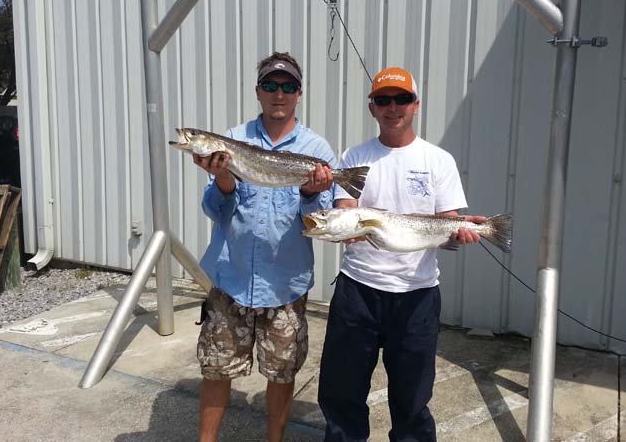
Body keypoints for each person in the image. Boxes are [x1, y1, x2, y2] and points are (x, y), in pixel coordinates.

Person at [317, 67, 487, 441]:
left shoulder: (438, 160)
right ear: (372, 108)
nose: (393, 107)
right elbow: (346, 208)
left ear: (416, 105)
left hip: (417, 296)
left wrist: (461, 229)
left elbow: (447, 220)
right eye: (383, 100)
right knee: (341, 393)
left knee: (412, 401)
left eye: (402, 99)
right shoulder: (355, 156)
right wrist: (341, 227)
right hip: (357, 292)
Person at [193, 51, 336, 442]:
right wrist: (225, 180)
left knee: (282, 373)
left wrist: (310, 192)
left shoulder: (317, 150)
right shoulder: (233, 141)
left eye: (288, 86)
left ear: (299, 93)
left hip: (285, 283)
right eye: (270, 85)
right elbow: (215, 210)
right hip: (232, 278)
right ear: (258, 91)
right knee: (216, 369)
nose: (279, 93)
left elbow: (320, 224)